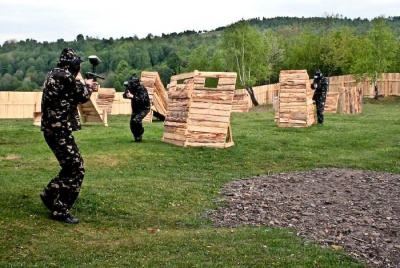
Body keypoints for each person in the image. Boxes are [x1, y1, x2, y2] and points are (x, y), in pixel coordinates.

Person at [40, 48, 98, 224]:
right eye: (76, 65)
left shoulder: (54, 74)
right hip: (58, 131)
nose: (77, 69)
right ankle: (61, 210)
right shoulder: (64, 77)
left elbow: (70, 94)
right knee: (76, 168)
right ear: (71, 64)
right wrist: (88, 86)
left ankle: (49, 193)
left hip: (54, 129)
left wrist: (86, 85)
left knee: (69, 167)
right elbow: (81, 95)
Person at [123, 74, 151, 142]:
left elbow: (141, 99)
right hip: (135, 108)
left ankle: (140, 132)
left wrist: (132, 96)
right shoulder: (131, 87)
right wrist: (127, 94)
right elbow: (124, 96)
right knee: (132, 124)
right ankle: (137, 137)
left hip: (144, 108)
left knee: (136, 120)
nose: (131, 84)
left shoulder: (142, 88)